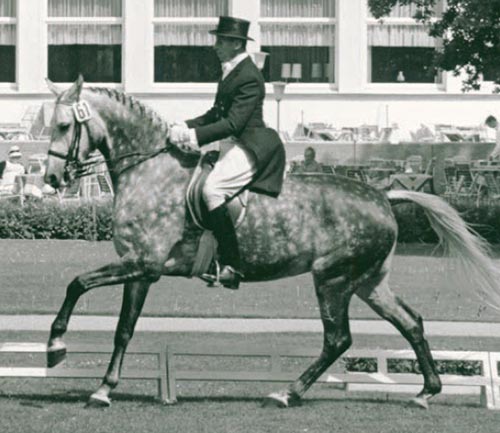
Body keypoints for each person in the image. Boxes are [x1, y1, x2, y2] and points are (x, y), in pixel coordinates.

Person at [168, 16, 286, 289]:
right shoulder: (231, 70)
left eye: (221, 41)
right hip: (233, 142)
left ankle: (233, 264)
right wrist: (182, 125)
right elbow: (215, 114)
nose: (215, 46)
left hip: (253, 145)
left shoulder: (249, 76)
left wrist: (193, 136)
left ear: (235, 44)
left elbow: (234, 123)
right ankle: (208, 257)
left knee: (212, 190)